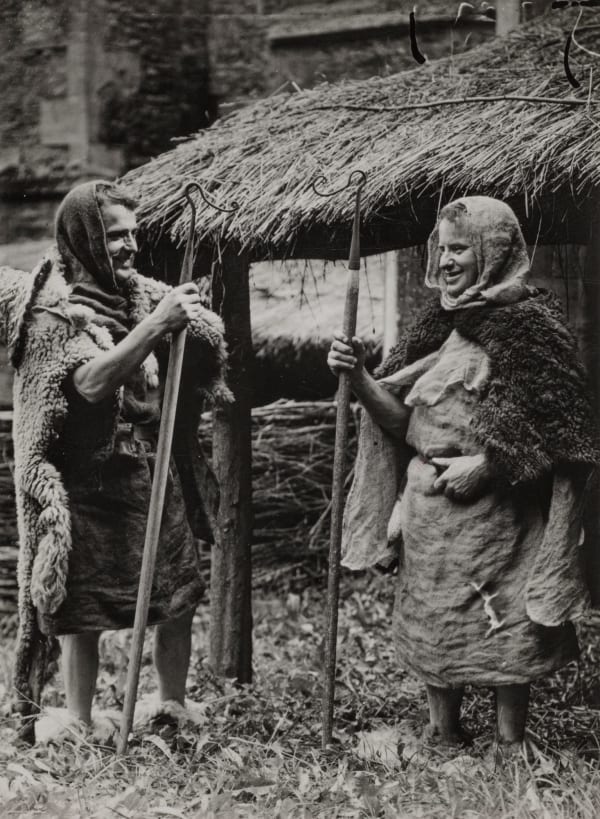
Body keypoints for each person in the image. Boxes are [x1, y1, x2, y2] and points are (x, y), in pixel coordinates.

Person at [328, 196, 598, 756]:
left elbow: (565, 431)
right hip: (431, 511)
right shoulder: (438, 325)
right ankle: (443, 731)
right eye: (442, 249)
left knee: (503, 623)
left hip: (500, 517)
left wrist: (491, 465)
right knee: (434, 615)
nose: (447, 261)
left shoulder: (531, 327)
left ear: (494, 253)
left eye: (461, 249)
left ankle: (508, 740)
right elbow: (404, 423)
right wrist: (358, 377)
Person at [2, 180, 230, 742]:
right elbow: (90, 383)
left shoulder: (141, 294)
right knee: (86, 609)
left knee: (178, 592)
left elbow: (197, 351)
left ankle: (170, 703)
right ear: (83, 238)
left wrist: (189, 326)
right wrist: (157, 328)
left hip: (149, 470)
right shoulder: (55, 311)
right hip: (88, 481)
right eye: (114, 236)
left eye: (133, 233)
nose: (129, 247)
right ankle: (79, 720)